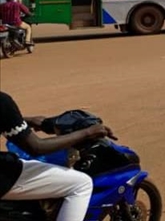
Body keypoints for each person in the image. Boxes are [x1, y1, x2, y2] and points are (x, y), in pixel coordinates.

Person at [1, 91, 114, 221]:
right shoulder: (3, 101)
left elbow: (5, 118)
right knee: (81, 184)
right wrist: (88, 133)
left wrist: (24, 121)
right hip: (3, 179)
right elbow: (37, 147)